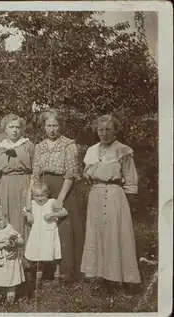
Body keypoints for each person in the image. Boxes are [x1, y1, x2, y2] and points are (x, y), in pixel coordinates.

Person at [80, 115, 142, 292]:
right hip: (96, 194)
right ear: (96, 131)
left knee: (117, 234)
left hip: (115, 195)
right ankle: (103, 277)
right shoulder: (91, 150)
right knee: (97, 234)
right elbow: (87, 174)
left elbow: (130, 178)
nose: (104, 133)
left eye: (108, 129)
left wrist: (129, 201)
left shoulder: (123, 151)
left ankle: (123, 278)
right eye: (101, 130)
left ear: (115, 131)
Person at [29, 109, 85, 282]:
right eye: (48, 126)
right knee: (44, 226)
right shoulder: (40, 147)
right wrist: (30, 198)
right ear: (44, 127)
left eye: (55, 125)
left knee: (65, 227)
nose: (52, 129)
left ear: (60, 126)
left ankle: (67, 271)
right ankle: (47, 267)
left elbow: (70, 174)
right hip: (45, 187)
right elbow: (35, 174)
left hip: (63, 187)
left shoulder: (69, 145)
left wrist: (60, 199)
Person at [0, 114, 35, 250]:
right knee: (7, 215)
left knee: (23, 216)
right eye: (11, 127)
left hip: (24, 182)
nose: (15, 130)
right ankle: (9, 250)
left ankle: (26, 257)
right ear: (5, 129)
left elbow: (35, 169)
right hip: (5, 184)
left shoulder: (28, 145)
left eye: (18, 127)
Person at [24, 181, 68, 287]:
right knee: (39, 257)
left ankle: (57, 277)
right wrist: (28, 214)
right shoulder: (32, 203)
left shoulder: (51, 202)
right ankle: (39, 279)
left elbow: (64, 212)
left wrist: (53, 214)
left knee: (54, 255)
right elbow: (24, 211)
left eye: (43, 195)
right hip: (37, 234)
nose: (40, 198)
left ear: (47, 194)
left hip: (49, 234)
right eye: (37, 196)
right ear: (33, 196)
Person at [0, 205, 25, 304]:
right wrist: (2, 245)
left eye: (0, 220)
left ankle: (10, 300)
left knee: (12, 280)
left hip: (10, 260)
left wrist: (15, 243)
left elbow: (21, 240)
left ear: (5, 217)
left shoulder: (9, 228)